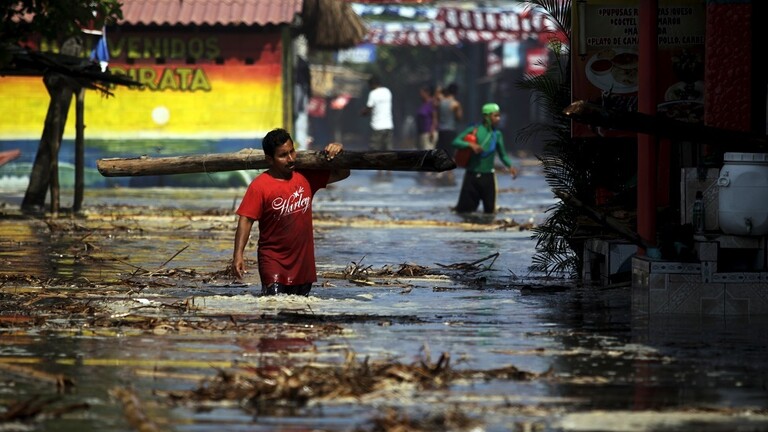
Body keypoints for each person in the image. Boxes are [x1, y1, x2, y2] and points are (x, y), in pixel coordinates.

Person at [232, 128, 350, 296]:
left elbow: (343, 173)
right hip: (273, 260)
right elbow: (246, 220)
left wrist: (338, 152)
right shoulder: (260, 186)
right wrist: (238, 255)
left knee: (300, 314)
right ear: (269, 159)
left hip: (303, 263)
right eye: (282, 155)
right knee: (273, 307)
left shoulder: (306, 177)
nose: (290, 159)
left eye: (292, 151)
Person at [452, 103, 518, 214]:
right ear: (486, 116)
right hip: (471, 176)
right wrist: (471, 145)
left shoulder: (497, 134)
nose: (498, 118)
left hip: (488, 178)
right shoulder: (474, 130)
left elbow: (503, 155)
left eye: (499, 116)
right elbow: (456, 142)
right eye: (495, 116)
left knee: (490, 213)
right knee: (464, 213)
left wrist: (510, 166)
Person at [360, 75, 394, 179]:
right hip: (388, 125)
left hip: (377, 126)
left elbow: (368, 108)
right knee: (388, 150)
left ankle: (379, 173)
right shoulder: (387, 91)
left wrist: (362, 112)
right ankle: (389, 172)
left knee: (376, 151)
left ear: (372, 84)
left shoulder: (373, 93)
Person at [435, 83, 463, 185]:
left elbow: (437, 115)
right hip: (450, 130)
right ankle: (450, 173)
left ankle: (440, 173)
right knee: (450, 153)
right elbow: (459, 118)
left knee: (441, 150)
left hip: (441, 130)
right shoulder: (455, 104)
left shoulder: (441, 102)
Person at [415, 84, 437, 151]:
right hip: (422, 133)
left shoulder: (432, 103)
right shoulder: (423, 104)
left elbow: (435, 117)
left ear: (427, 93)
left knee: (427, 153)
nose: (420, 95)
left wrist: (432, 130)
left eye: (422, 93)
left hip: (428, 133)